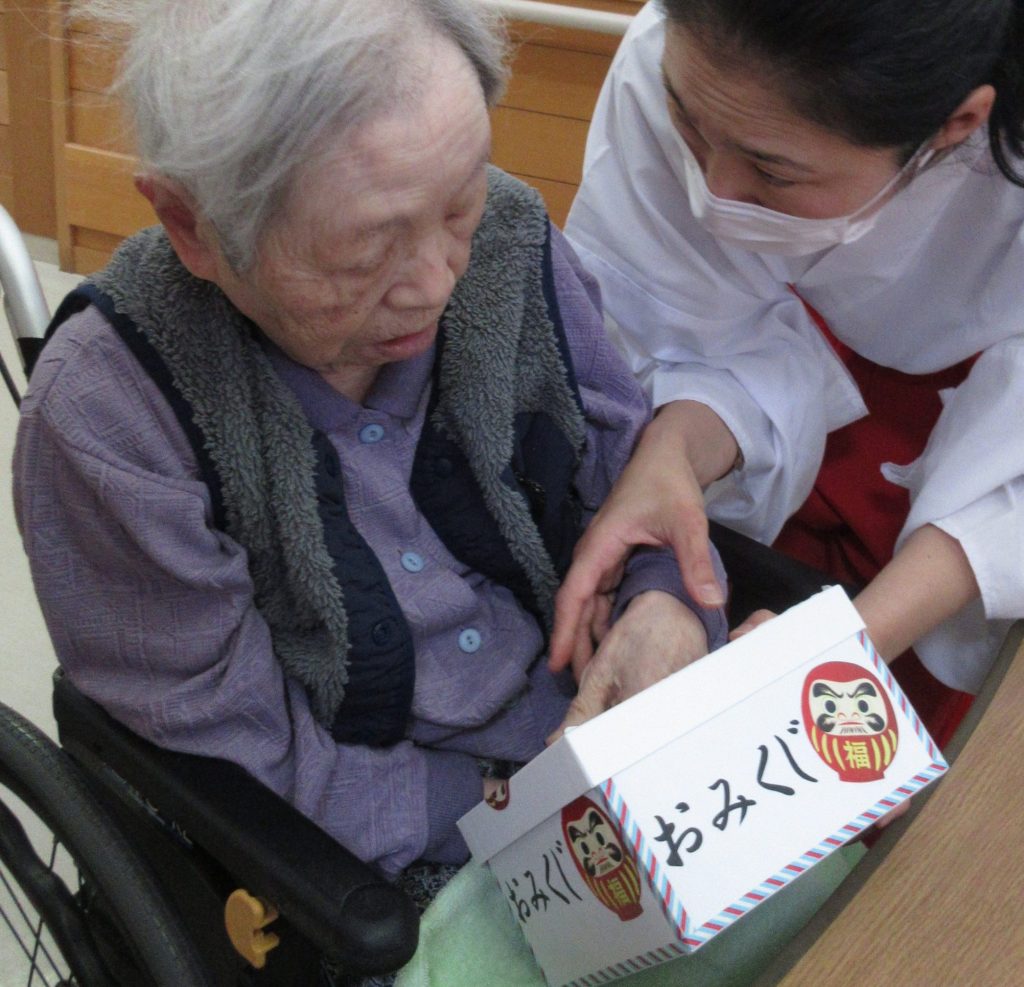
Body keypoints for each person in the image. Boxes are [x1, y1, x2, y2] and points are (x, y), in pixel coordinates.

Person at [13, 0, 726, 908]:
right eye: (363, 255)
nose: (436, 281)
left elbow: (627, 482)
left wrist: (665, 600)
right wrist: (508, 806)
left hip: (607, 750)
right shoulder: (111, 411)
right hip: (372, 863)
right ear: (193, 226)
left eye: (458, 204)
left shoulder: (509, 239)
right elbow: (233, 757)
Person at [555, 0, 1024, 748]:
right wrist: (670, 456)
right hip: (754, 475)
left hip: (967, 474)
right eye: (688, 125)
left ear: (957, 124)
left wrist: (844, 647)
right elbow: (681, 324)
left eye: (772, 170)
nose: (711, 192)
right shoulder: (693, 48)